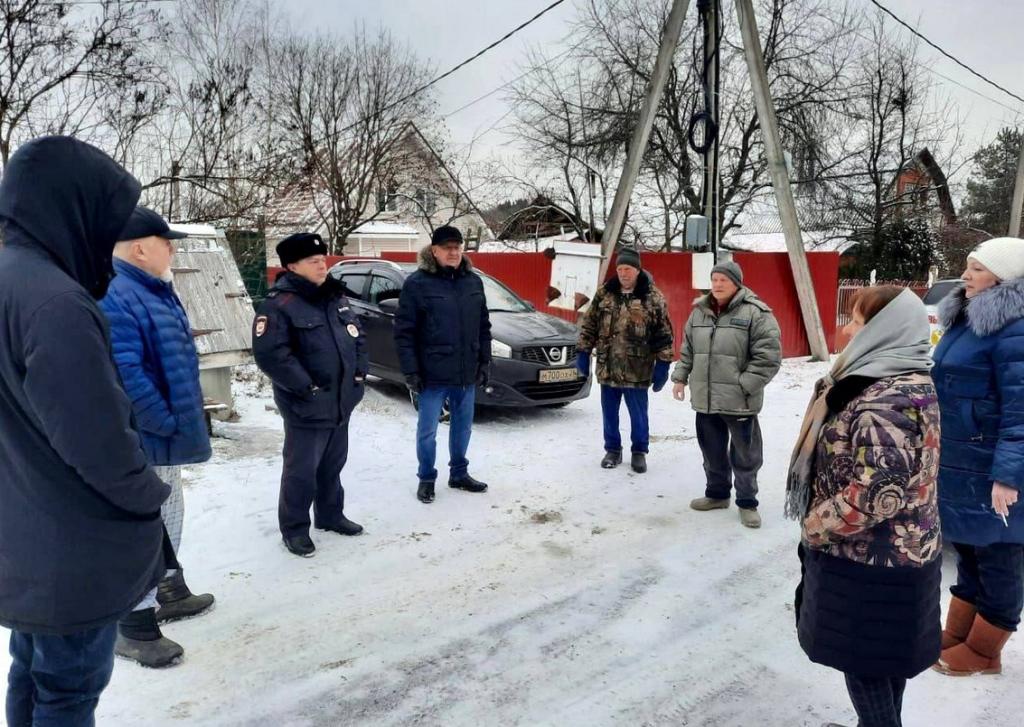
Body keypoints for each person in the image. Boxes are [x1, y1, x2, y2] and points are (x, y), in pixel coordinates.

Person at [0, 136, 171, 726]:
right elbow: (96, 441)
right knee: (69, 690)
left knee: (33, 672)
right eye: (102, 215)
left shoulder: (9, 279)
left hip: (23, 531)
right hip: (73, 544)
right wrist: (148, 494)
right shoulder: (55, 302)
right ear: (68, 207)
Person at [789, 286, 941, 727]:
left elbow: (878, 493)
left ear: (884, 331)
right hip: (900, 552)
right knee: (884, 658)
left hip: (872, 557)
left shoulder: (884, 398)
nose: (846, 330)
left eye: (856, 322)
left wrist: (816, 525)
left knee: (865, 664)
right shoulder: (901, 377)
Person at [99, 207, 216, 668]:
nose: (173, 248)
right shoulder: (118, 293)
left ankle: (168, 587)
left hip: (164, 434)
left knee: (169, 511)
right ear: (139, 248)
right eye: (165, 241)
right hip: (148, 436)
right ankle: (134, 625)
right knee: (149, 522)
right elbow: (124, 372)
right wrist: (164, 420)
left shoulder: (152, 288)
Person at [930, 237, 1024, 677]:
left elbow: (1020, 411)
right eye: (967, 266)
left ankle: (986, 652)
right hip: (960, 460)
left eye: (977, 268)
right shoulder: (968, 320)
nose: (965, 275)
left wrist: (1009, 476)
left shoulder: (1015, 328)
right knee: (969, 548)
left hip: (992, 466)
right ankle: (960, 634)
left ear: (1004, 278)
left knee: (1000, 556)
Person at [253, 232, 368, 557]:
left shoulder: (335, 298)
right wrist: (306, 387)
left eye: (323, 259)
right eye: (313, 261)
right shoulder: (279, 305)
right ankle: (295, 529)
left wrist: (358, 376)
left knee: (332, 465)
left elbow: (358, 338)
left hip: (341, 403)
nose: (322, 265)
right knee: (301, 472)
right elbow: (272, 354)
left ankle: (330, 516)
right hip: (306, 406)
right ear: (292, 265)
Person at [670, 260, 781, 528]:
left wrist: (744, 385)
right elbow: (688, 350)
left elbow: (769, 356)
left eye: (724, 280)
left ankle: (747, 502)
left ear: (736, 283)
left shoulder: (756, 313)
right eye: (715, 279)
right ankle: (718, 495)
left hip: (739, 400)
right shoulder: (699, 312)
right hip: (706, 398)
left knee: (745, 456)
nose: (718, 284)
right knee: (712, 451)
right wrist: (680, 378)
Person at [394, 225, 492, 504]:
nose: (453, 252)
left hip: (466, 372)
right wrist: (411, 371)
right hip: (432, 374)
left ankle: (459, 473)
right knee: (428, 430)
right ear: (434, 251)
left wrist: (485, 360)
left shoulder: (473, 282)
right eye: (447, 247)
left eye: (457, 247)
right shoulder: (417, 283)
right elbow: (404, 332)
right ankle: (426, 478)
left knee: (463, 427)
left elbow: (483, 325)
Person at [576, 246, 674, 473]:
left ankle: (639, 451)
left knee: (638, 414)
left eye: (628, 268)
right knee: (609, 412)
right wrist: (582, 352)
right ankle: (612, 449)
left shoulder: (653, 297)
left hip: (637, 368)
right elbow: (589, 324)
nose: (623, 273)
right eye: (620, 268)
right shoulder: (605, 293)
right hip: (608, 366)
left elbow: (664, 334)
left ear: (638, 270)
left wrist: (663, 363)